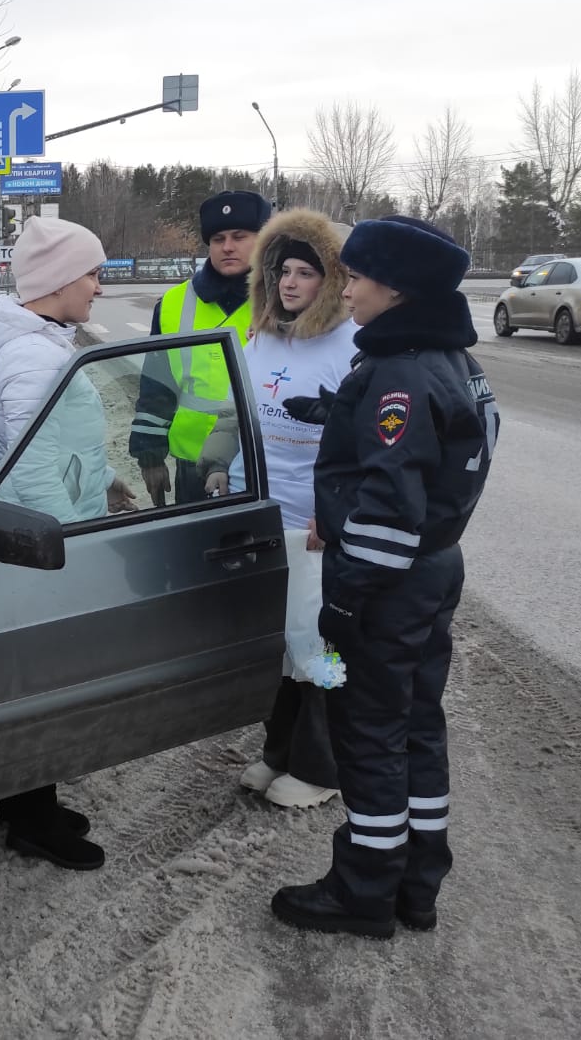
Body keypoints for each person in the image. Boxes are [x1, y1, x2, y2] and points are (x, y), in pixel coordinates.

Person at [269, 215, 500, 939]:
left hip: (384, 584)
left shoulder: (395, 372)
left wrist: (342, 596)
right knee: (417, 726)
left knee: (366, 729)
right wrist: (341, 410)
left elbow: (392, 501)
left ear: (394, 289)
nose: (349, 290)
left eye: (358, 279)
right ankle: (417, 882)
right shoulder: (452, 358)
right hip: (434, 570)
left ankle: (363, 889)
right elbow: (450, 445)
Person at [0, 214, 134, 871]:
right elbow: (35, 471)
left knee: (42, 675)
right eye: (92, 273)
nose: (98, 286)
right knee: (45, 682)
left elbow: (62, 446)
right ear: (61, 278)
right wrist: (72, 550)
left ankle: (28, 800)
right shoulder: (32, 358)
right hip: (46, 546)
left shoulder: (45, 344)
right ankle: (32, 817)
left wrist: (111, 481)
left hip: (52, 531)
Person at [199, 209, 358, 810]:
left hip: (314, 524)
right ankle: (279, 752)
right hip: (260, 513)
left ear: (331, 279)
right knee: (277, 645)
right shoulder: (260, 335)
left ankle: (321, 765)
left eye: (304, 273)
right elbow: (234, 414)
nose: (289, 284)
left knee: (318, 646)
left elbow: (360, 446)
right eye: (282, 271)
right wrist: (219, 467)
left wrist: (333, 513)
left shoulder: (351, 345)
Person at [130, 190, 272, 504]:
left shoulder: (283, 301)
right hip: (192, 463)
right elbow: (156, 385)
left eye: (239, 236)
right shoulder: (173, 304)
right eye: (218, 239)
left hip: (264, 459)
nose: (228, 247)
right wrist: (150, 456)